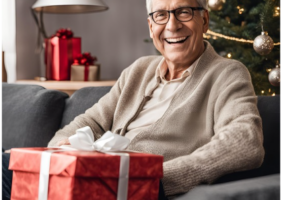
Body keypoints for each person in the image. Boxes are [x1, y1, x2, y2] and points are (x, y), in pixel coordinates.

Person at [3, 0, 264, 199]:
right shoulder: (139, 70)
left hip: (134, 189)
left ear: (204, 20)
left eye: (184, 12)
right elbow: (90, 121)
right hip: (97, 178)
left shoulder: (226, 73)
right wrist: (60, 151)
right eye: (161, 15)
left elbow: (244, 141)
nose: (172, 26)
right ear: (151, 27)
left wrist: (155, 179)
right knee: (7, 165)